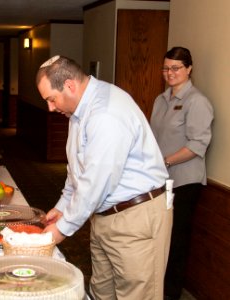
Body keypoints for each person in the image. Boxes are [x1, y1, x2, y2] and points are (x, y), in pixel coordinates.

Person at [36, 55, 172, 300]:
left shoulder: (106, 113)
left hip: (135, 219)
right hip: (104, 217)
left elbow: (96, 182)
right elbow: (78, 169)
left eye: (51, 99)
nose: (51, 107)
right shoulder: (78, 111)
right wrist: (62, 207)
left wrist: (61, 230)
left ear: (69, 86)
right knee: (102, 292)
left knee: (136, 295)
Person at [150, 47, 214, 300]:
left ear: (189, 69)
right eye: (166, 68)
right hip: (161, 181)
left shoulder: (197, 101)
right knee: (159, 237)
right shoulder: (160, 99)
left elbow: (198, 144)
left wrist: (165, 161)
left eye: (176, 68)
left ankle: (170, 294)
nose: (170, 73)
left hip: (184, 182)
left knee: (176, 241)